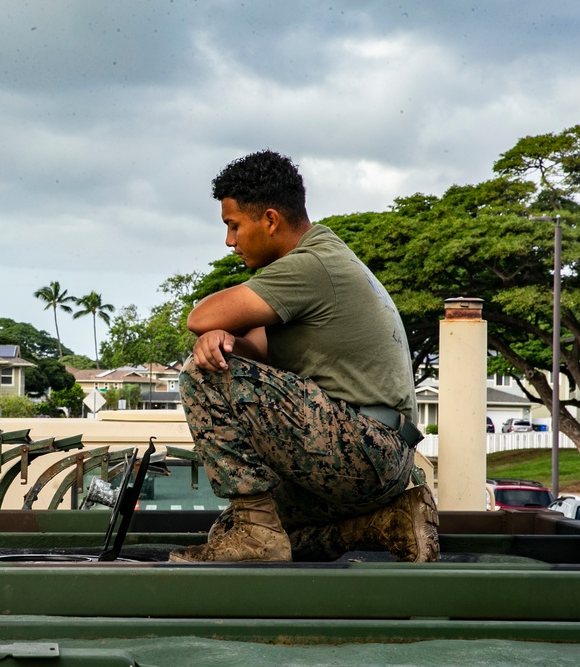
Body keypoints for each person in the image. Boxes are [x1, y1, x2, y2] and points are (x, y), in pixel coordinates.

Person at [171, 150, 439, 563]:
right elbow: (256, 350)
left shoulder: (310, 266)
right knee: (228, 532)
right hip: (380, 458)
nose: (230, 242)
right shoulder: (321, 258)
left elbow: (200, 316)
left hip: (364, 446)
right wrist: (224, 339)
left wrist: (211, 335)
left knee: (204, 375)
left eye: (234, 226)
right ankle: (386, 523)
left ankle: (257, 537)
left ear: (271, 220)